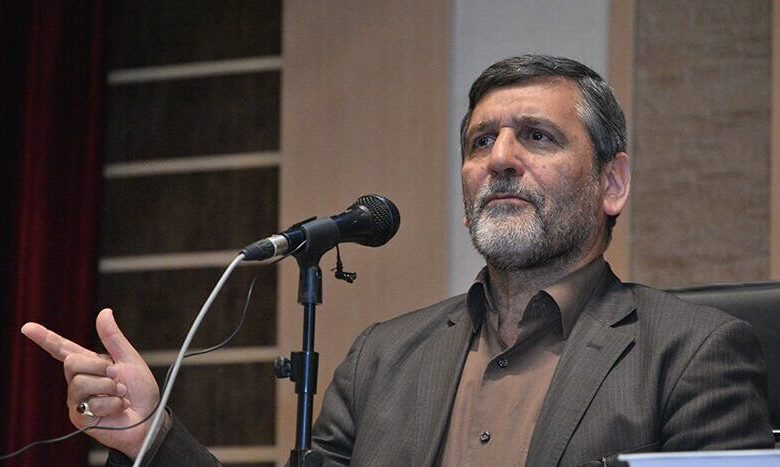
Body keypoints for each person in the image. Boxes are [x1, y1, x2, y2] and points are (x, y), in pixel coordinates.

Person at [22, 55, 773, 466]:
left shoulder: (693, 354)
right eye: (480, 141)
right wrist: (150, 436)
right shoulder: (383, 358)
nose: (500, 159)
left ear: (612, 182)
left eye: (538, 137)